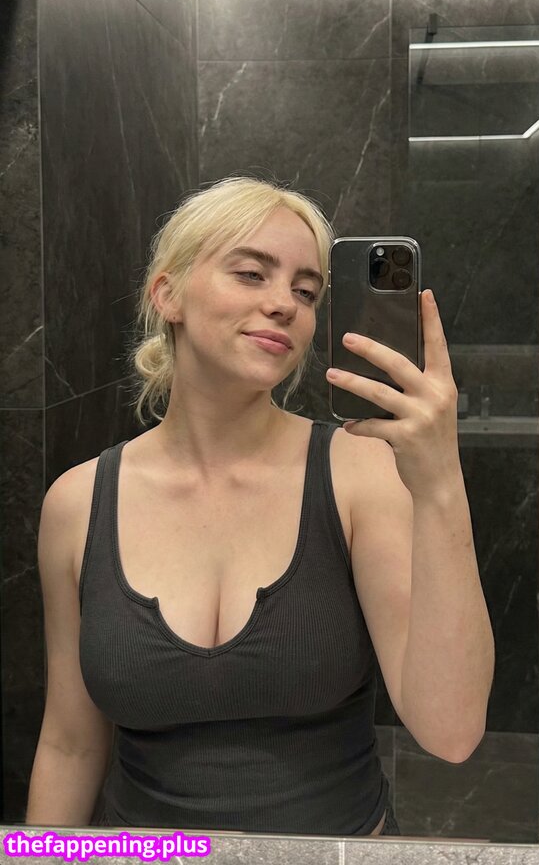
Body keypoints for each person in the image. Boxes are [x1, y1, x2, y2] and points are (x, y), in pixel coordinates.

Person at [27, 174, 494, 838]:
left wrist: (440, 479)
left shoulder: (358, 475)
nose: (283, 305)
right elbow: (71, 744)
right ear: (167, 294)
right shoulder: (77, 504)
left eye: (305, 292)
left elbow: (451, 731)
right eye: (251, 274)